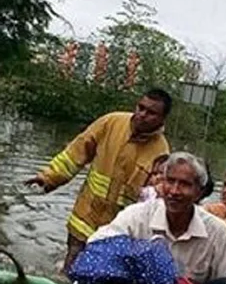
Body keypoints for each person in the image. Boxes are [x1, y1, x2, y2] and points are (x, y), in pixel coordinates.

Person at [26, 89, 172, 270]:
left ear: (163, 118)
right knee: (71, 265)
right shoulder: (111, 123)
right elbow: (75, 153)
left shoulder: (161, 153)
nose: (142, 114)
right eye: (140, 107)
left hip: (119, 229)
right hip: (85, 216)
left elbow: (152, 201)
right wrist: (48, 177)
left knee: (101, 275)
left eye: (151, 113)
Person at [87, 151, 226, 284]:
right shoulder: (137, 216)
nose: (174, 191)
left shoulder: (217, 231)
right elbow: (96, 243)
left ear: (200, 192)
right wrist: (138, 254)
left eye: (185, 184)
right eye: (170, 181)